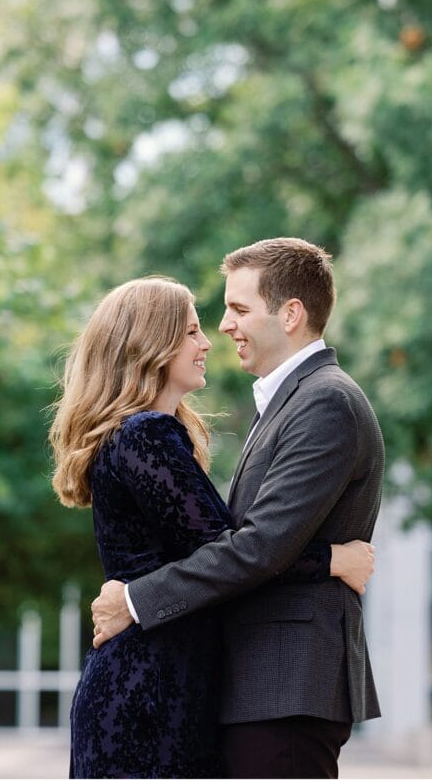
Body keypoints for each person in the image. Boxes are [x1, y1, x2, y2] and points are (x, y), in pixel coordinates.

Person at [49, 276, 375, 779]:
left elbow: (224, 550)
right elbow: (231, 551)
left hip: (162, 682)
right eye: (191, 332)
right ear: (149, 344)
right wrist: (332, 559)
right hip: (148, 689)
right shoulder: (147, 435)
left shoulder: (146, 434)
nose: (207, 342)